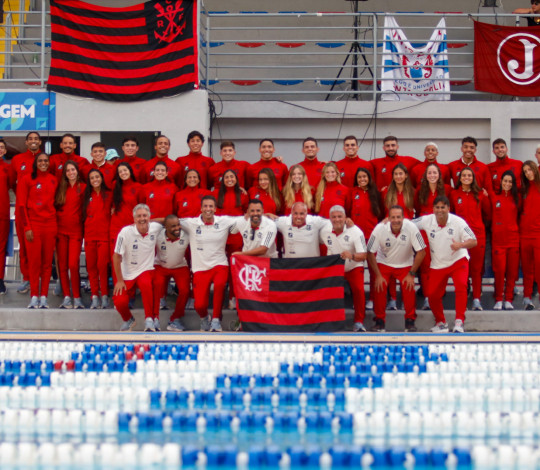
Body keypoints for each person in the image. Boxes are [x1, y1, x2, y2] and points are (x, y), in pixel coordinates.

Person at [412, 196, 477, 333]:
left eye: (443, 207)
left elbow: (474, 241)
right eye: (437, 207)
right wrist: (390, 220)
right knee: (432, 294)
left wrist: (461, 244)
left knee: (461, 286)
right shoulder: (427, 220)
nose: (440, 210)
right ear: (433, 209)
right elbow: (409, 224)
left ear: (448, 208)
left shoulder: (458, 222)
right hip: (438, 263)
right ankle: (441, 323)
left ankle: (459, 321)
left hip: (458, 260)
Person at [179, 195, 239, 332]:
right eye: (205, 206)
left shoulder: (223, 221)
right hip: (200, 268)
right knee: (199, 305)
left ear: (215, 209)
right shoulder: (191, 223)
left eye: (211, 206)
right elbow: (171, 221)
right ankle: (205, 318)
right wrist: (150, 221)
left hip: (219, 264)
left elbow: (243, 219)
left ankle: (217, 320)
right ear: (200, 208)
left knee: (219, 285)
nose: (208, 209)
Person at [366, 206, 426, 332]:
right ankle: (379, 321)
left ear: (403, 218)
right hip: (384, 262)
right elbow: (370, 252)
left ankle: (410, 321)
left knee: (409, 287)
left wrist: (411, 273)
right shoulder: (379, 228)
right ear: (388, 218)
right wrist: (377, 275)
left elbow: (421, 251)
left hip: (405, 264)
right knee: (379, 286)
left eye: (399, 217)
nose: (396, 220)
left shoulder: (411, 227)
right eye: (393, 217)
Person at [16, 153, 58, 309]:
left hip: (51, 225)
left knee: (47, 264)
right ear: (35, 163)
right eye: (40, 161)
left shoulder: (54, 179)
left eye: (46, 161)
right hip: (34, 225)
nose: (43, 163)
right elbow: (21, 205)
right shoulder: (27, 179)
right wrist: (27, 227)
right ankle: (34, 296)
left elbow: (58, 202)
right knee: (34, 263)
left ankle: (44, 297)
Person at [113, 204, 162, 332]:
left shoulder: (155, 227)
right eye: (139, 216)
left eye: (145, 216)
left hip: (146, 270)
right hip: (128, 274)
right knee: (119, 301)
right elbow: (116, 257)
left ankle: (150, 319)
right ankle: (128, 319)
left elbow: (167, 220)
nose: (142, 219)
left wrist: (156, 220)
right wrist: (119, 280)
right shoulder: (125, 232)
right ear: (134, 219)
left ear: (150, 217)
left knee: (147, 283)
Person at [320, 205, 368, 332]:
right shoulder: (324, 231)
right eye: (334, 217)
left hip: (353, 265)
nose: (337, 219)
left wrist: (351, 255)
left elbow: (363, 255)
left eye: (340, 216)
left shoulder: (356, 231)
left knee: (358, 289)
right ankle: (331, 321)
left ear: (345, 217)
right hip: (336, 266)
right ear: (329, 219)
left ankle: (358, 322)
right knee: (328, 290)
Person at [450, 167, 491, 311]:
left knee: (476, 269)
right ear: (459, 178)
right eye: (464, 175)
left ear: (473, 178)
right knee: (462, 267)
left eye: (469, 175)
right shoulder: (454, 194)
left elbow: (487, 214)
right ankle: (464, 295)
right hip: (460, 237)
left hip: (477, 235)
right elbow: (451, 214)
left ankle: (476, 299)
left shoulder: (480, 194)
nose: (466, 177)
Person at [414, 163, 452, 309]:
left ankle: (438, 294)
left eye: (434, 173)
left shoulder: (447, 189)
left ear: (439, 175)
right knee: (425, 264)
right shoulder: (420, 190)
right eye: (429, 173)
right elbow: (417, 209)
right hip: (424, 230)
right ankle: (427, 296)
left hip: (441, 229)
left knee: (440, 263)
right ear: (425, 175)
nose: (432, 175)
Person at [9, 131, 42, 294]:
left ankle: (44, 278)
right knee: (24, 246)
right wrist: (22, 197)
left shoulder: (45, 159)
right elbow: (11, 181)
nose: (33, 141)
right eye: (30, 139)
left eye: (36, 139)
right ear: (26, 142)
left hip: (42, 212)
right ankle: (26, 278)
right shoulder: (17, 159)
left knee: (45, 248)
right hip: (23, 210)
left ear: (40, 142)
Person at [348, 167, 384, 311]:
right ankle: (358, 299)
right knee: (356, 270)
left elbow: (380, 214)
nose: (362, 179)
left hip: (372, 237)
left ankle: (372, 299)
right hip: (356, 237)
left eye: (364, 177)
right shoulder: (352, 193)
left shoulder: (376, 193)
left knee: (374, 270)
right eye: (359, 177)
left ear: (369, 178)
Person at [214, 169, 249, 309]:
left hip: (237, 238)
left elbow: (247, 213)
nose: (229, 179)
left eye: (232, 177)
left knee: (235, 268)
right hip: (220, 237)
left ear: (236, 179)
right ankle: (219, 298)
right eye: (226, 177)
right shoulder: (216, 194)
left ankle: (233, 297)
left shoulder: (243, 195)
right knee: (222, 269)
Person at [54, 161, 85, 309]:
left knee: (73, 264)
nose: (71, 172)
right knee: (63, 265)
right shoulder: (61, 188)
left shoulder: (84, 188)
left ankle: (77, 297)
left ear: (77, 171)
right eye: (68, 171)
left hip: (76, 231)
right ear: (65, 173)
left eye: (73, 169)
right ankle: (67, 296)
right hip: (61, 231)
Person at [153, 214, 191, 331]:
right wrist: (162, 219)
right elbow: (146, 223)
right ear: (165, 227)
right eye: (173, 226)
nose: (177, 228)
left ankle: (175, 319)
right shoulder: (157, 235)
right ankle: (154, 319)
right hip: (161, 265)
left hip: (180, 265)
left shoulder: (187, 234)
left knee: (185, 290)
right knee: (156, 285)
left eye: (178, 225)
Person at [82, 169, 112, 310]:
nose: (95, 179)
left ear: (101, 178)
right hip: (89, 235)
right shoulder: (86, 195)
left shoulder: (109, 194)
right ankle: (94, 296)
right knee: (91, 267)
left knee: (102, 266)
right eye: (92, 177)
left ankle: (105, 295)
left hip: (104, 236)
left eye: (97, 177)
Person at [491, 171, 520, 311]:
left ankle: (508, 299)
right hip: (498, 241)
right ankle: (498, 298)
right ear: (501, 181)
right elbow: (487, 215)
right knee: (500, 270)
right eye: (505, 181)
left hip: (513, 240)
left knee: (512, 271)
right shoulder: (494, 197)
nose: (507, 184)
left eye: (510, 182)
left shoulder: (517, 198)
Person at [110, 163, 144, 267]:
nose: (123, 173)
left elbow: (141, 209)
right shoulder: (114, 185)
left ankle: (129, 282)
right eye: (120, 171)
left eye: (125, 170)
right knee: (116, 257)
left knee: (131, 258)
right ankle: (118, 282)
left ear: (130, 171)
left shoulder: (138, 187)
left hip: (131, 227)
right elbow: (112, 204)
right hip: (116, 226)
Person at [520, 160, 540, 310]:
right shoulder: (524, 189)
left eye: (530, 170)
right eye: (525, 171)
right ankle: (527, 297)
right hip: (524, 235)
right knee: (527, 269)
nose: (528, 173)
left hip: (538, 234)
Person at [0, 139, 12, 295]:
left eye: (1, 147)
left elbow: (10, 185)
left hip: (2, 213)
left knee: (1, 249)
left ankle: (0, 280)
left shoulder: (8, 168)